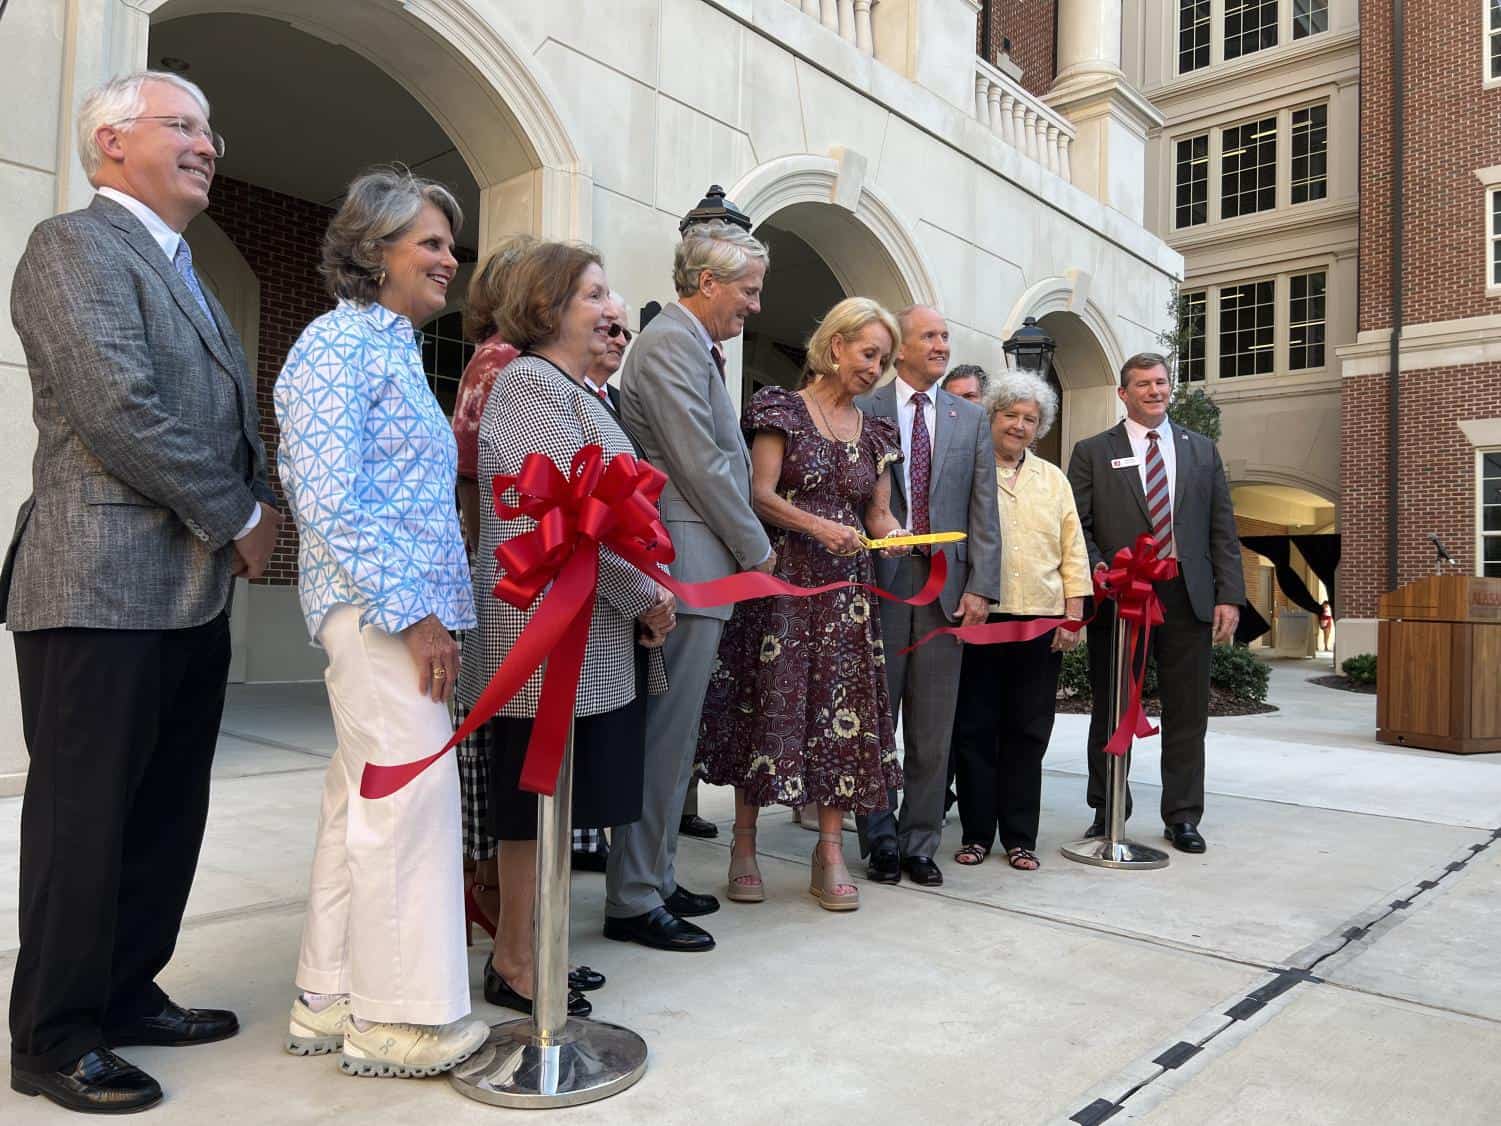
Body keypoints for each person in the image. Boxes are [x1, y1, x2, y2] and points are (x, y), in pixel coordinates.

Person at [3, 70, 280, 1114]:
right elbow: (121, 408)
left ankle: (125, 991)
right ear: (112, 141)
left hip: (189, 590)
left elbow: (222, 416)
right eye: (183, 125)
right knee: (86, 820)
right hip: (98, 583)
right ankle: (55, 1033)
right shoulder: (72, 247)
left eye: (211, 128)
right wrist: (243, 514)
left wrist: (257, 492)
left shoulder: (185, 266)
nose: (209, 143)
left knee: (165, 811)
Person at [275, 166, 488, 1077]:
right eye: (431, 242)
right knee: (410, 799)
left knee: (361, 796)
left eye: (449, 243)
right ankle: (398, 1019)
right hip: (376, 616)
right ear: (375, 251)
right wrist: (413, 615)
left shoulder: (392, 347)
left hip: (395, 613)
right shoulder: (337, 344)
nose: (449, 258)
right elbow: (330, 498)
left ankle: (328, 996)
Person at [459, 237, 676, 1015]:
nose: (610, 307)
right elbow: (554, 518)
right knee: (533, 808)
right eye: (593, 294)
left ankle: (537, 946)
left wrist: (641, 585)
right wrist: (643, 593)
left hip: (589, 634)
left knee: (558, 810)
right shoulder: (526, 382)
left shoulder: (578, 391)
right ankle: (516, 961)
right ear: (547, 306)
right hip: (543, 634)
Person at [697, 298, 908, 912]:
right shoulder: (779, 409)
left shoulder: (877, 433)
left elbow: (877, 511)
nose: (876, 368)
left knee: (841, 719)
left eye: (885, 359)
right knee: (767, 708)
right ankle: (743, 846)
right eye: (869, 353)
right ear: (836, 344)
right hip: (784, 587)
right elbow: (758, 495)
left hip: (847, 594)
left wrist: (894, 532)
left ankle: (831, 853)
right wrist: (817, 528)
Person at [609, 219, 777, 952]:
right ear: (705, 284)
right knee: (666, 738)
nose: (755, 307)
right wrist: (755, 546)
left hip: (701, 556)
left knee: (677, 746)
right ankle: (634, 896)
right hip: (689, 558)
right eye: (747, 290)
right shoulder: (672, 342)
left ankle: (657, 876)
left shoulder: (691, 344)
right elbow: (698, 464)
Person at [1067, 352, 1245, 854]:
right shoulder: (1092, 452)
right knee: (1111, 704)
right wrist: (1101, 569)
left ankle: (1183, 815)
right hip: (1121, 596)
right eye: (1142, 384)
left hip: (1187, 596)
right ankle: (1107, 809)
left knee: (1188, 711)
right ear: (1123, 394)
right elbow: (1077, 525)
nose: (1154, 391)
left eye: (1161, 382)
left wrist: (1230, 595)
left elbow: (1221, 529)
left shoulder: (1202, 451)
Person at [854, 306, 1001, 887]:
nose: (941, 346)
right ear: (901, 349)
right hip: (878, 585)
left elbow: (983, 507)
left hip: (947, 590)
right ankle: (878, 839)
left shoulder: (970, 419)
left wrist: (983, 586)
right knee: (872, 719)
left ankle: (920, 841)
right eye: (929, 337)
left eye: (946, 336)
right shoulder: (866, 408)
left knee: (933, 726)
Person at [951, 370, 1090, 871]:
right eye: (1010, 414)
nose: (1019, 425)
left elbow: (1074, 550)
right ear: (991, 415)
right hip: (982, 614)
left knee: (1028, 731)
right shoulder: (969, 468)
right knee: (975, 729)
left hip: (1041, 621)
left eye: (1030, 419)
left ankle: (1019, 836)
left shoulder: (1053, 479)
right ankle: (975, 833)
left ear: (1040, 427)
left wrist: (1074, 614)